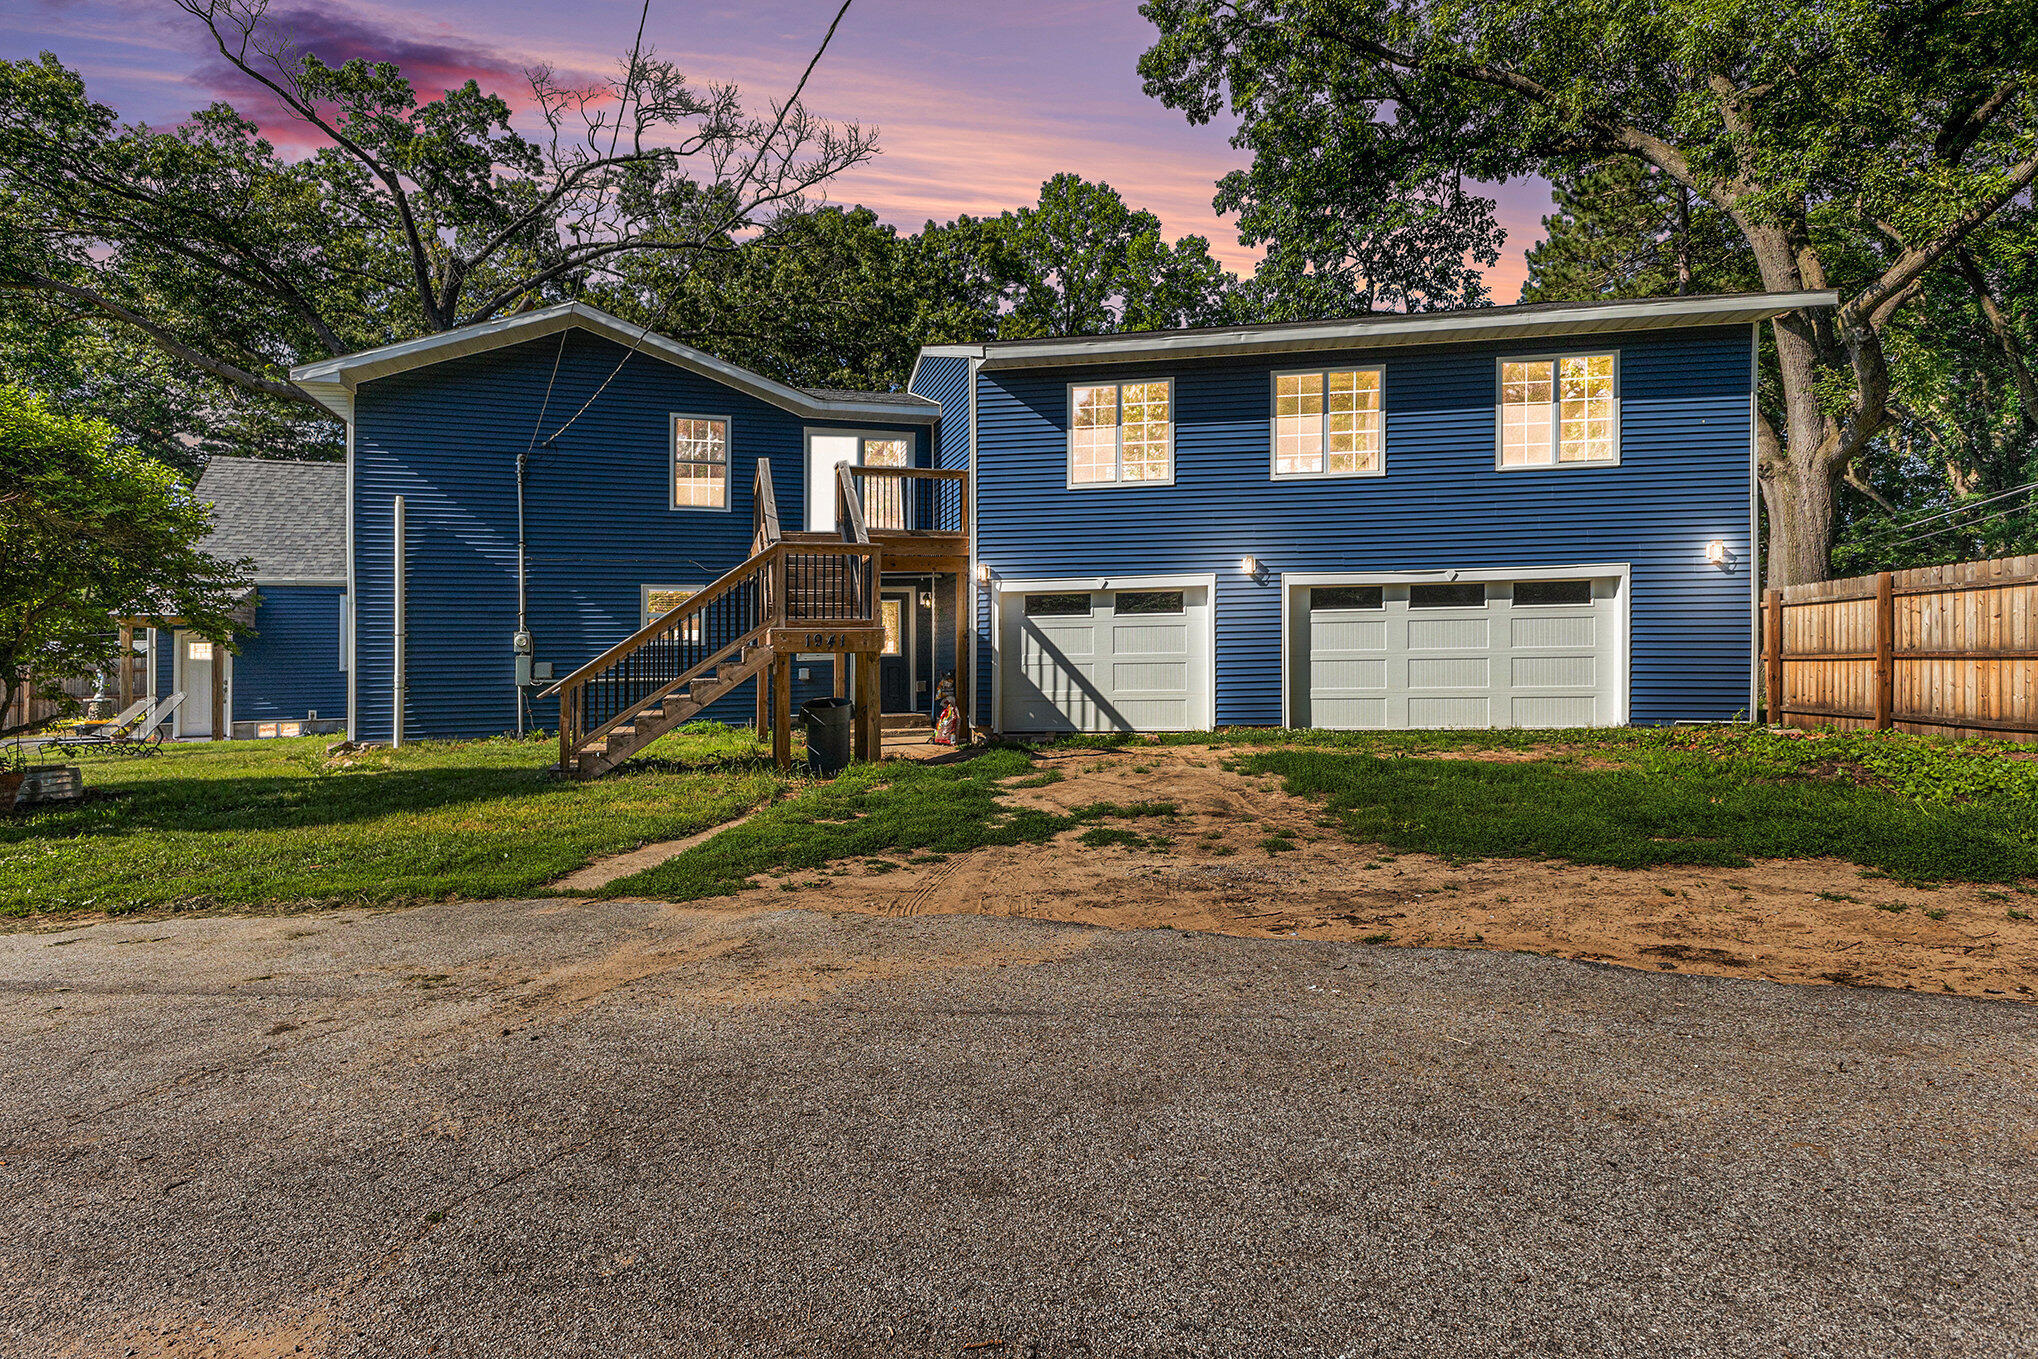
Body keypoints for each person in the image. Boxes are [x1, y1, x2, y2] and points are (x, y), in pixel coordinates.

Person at [932, 671, 960, 745]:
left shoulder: (943, 684)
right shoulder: (944, 684)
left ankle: (942, 737)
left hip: (943, 701)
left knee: (944, 720)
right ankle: (938, 737)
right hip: (941, 701)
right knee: (940, 720)